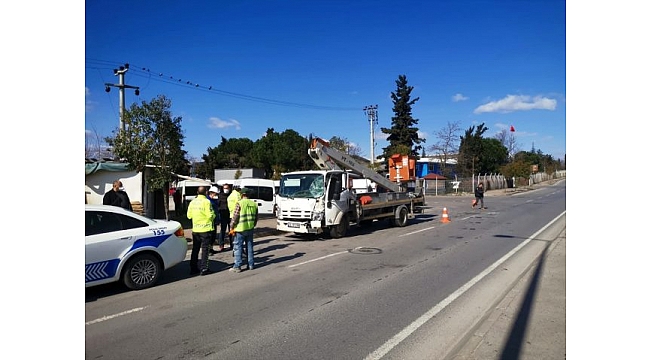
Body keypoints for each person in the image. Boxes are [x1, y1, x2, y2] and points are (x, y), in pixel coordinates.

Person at [186, 186, 216, 276]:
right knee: (205, 249)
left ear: (197, 192)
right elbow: (210, 215)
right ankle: (204, 268)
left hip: (195, 230)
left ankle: (193, 268)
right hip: (205, 229)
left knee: (195, 249)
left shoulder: (192, 202)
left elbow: (189, 216)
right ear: (206, 192)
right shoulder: (206, 202)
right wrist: (214, 215)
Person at [229, 187, 258, 273]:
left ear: (242, 195)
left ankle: (237, 266)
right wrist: (252, 225)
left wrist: (231, 226)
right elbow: (256, 218)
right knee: (250, 247)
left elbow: (235, 217)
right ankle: (251, 264)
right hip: (250, 228)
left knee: (238, 247)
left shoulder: (240, 203)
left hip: (240, 229)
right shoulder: (254, 204)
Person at [216, 183, 233, 252]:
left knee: (231, 231)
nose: (226, 190)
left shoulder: (231, 195)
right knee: (222, 230)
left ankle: (232, 244)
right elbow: (218, 206)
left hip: (230, 215)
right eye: (225, 188)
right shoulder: (220, 195)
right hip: (223, 215)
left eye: (227, 188)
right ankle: (221, 245)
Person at [207, 186, 221, 255]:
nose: (217, 196)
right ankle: (208, 250)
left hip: (215, 220)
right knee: (210, 236)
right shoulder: (207, 200)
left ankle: (211, 248)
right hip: (209, 221)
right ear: (211, 193)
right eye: (216, 194)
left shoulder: (215, 200)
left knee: (213, 236)